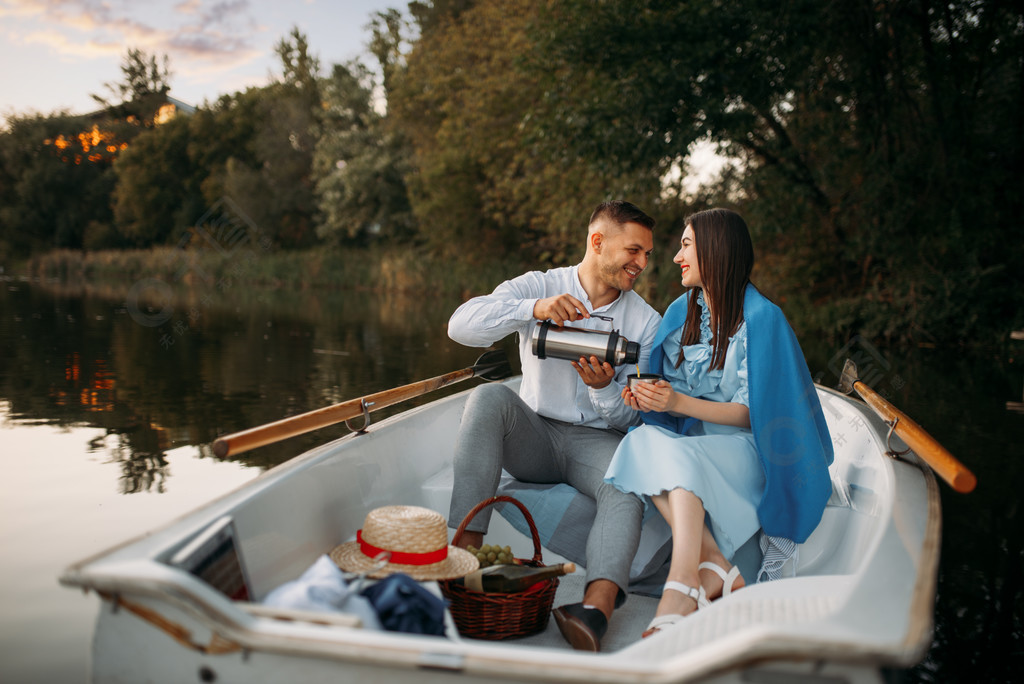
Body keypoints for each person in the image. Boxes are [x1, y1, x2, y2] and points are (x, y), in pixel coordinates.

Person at [604, 208, 834, 637]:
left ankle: (682, 581)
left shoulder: (763, 319)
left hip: (751, 449)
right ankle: (712, 566)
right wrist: (652, 398)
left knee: (681, 458)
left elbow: (758, 412)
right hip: (697, 441)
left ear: (716, 251)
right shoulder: (681, 311)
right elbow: (668, 395)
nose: (676, 257)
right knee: (638, 439)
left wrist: (679, 401)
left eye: (686, 245)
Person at [446, 200, 663, 651]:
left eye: (647, 254)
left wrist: (604, 390)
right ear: (597, 241)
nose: (641, 264)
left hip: (595, 441)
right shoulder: (542, 284)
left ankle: (595, 612)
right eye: (634, 250)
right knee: (487, 397)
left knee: (626, 481)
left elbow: (635, 419)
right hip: (535, 435)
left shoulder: (646, 322)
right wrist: (533, 309)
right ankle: (462, 567)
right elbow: (460, 326)